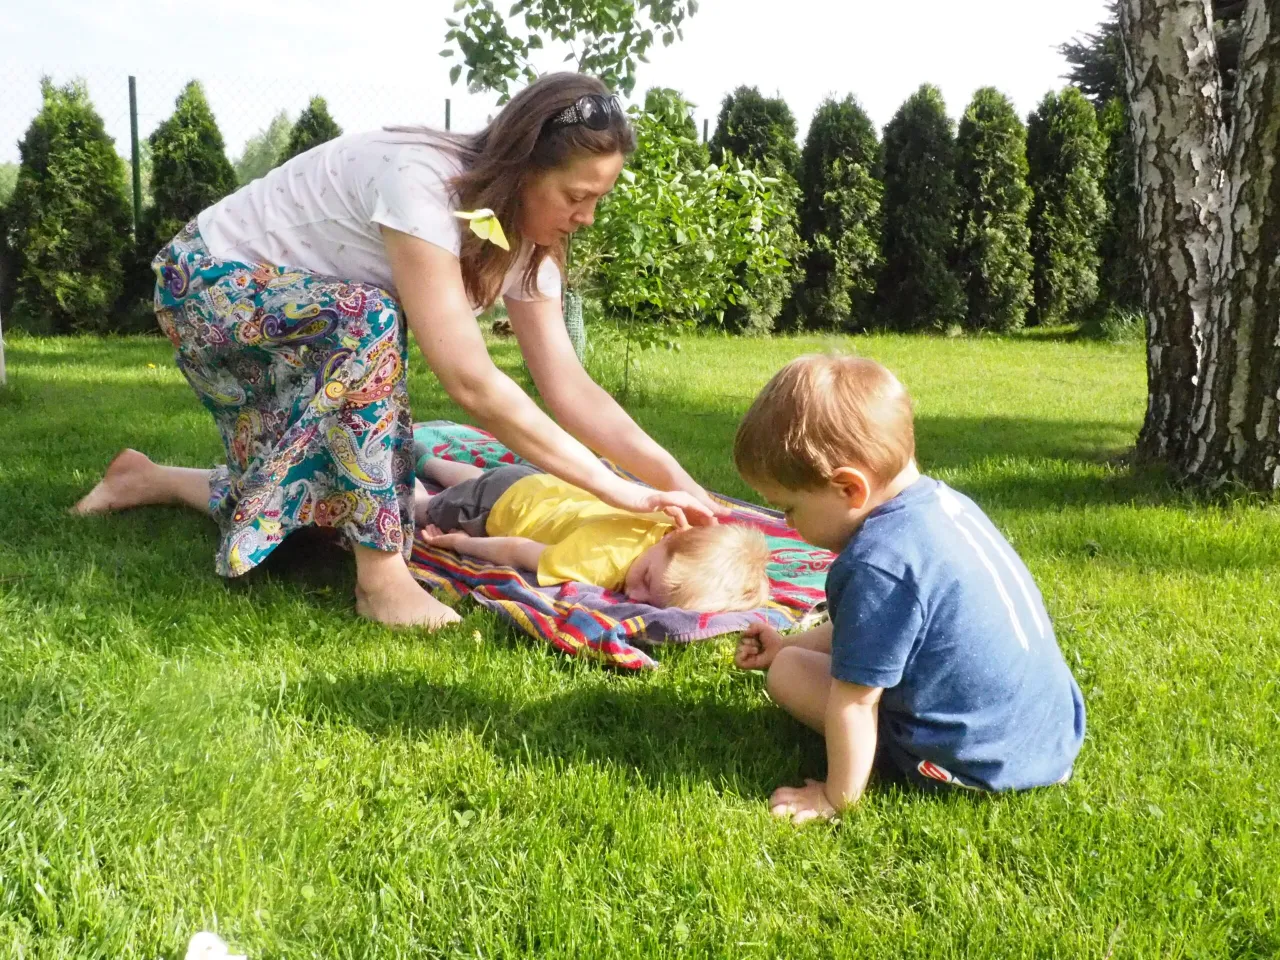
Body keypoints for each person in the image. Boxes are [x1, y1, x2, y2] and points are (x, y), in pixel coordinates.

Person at [73, 73, 726, 630]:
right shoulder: (425, 184)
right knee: (370, 322)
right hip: (206, 285)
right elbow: (469, 380)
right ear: (523, 168)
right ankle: (380, 581)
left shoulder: (525, 238)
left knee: (325, 490)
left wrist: (674, 484)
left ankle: (145, 479)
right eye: (576, 197)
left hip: (292, 310)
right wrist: (613, 487)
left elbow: (568, 385)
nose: (585, 217)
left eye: (596, 201)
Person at [731, 354, 1085, 822]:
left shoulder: (879, 564)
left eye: (789, 508)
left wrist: (836, 798)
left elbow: (856, 702)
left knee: (790, 673)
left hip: (971, 762)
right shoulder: (945, 506)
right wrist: (788, 643)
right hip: (1047, 738)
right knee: (793, 658)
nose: (788, 525)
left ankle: (861, 777)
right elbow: (866, 630)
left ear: (849, 490)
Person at [417, 457, 770, 610]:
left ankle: (429, 462)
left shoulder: (667, 523)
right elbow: (517, 549)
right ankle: (408, 472)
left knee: (475, 480)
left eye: (650, 601)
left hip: (531, 483)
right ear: (670, 540)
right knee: (422, 510)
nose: (635, 595)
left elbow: (704, 547)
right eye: (646, 579)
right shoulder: (599, 563)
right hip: (497, 510)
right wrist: (462, 543)